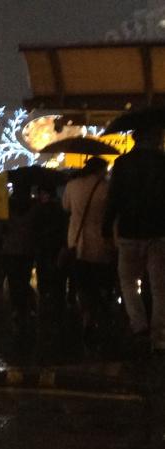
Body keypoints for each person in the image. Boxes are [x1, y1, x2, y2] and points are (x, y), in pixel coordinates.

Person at [102, 126, 165, 352]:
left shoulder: (122, 163)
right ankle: (159, 335)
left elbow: (113, 198)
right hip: (158, 231)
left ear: (135, 139)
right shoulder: (162, 161)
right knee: (159, 286)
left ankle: (139, 326)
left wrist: (106, 229)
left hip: (129, 230)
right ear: (155, 138)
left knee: (128, 281)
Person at [63, 157, 114, 347]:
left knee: (83, 283)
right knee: (98, 282)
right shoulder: (106, 188)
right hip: (100, 243)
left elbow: (66, 206)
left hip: (76, 243)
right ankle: (98, 313)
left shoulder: (72, 185)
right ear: (100, 169)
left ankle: (87, 315)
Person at [0, 184, 37, 335]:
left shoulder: (6, 209)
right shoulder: (33, 209)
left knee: (14, 280)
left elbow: (2, 229)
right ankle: (24, 308)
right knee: (23, 279)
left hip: (10, 250)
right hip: (26, 250)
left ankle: (17, 309)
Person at [31, 186, 69, 320]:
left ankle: (45, 305)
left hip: (43, 248)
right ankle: (59, 308)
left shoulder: (38, 210)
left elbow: (34, 229)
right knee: (58, 279)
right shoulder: (60, 210)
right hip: (57, 248)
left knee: (43, 278)